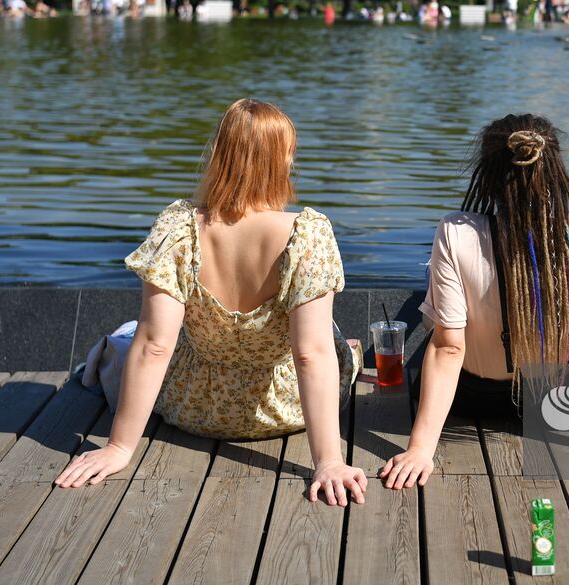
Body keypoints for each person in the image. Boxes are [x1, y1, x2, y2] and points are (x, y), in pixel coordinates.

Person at [55, 99, 366, 504]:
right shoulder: (307, 233)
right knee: (326, 333)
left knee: (134, 335)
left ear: (220, 155)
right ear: (281, 161)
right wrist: (328, 462)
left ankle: (99, 359)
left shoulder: (179, 226)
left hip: (194, 407)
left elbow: (155, 345)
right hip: (284, 412)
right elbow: (310, 354)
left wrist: (119, 447)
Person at [380, 115, 569, 490]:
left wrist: (420, 451)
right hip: (561, 405)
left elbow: (450, 349)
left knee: (440, 337)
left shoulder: (456, 231)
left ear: (488, 174)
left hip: (474, 403)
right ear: (556, 169)